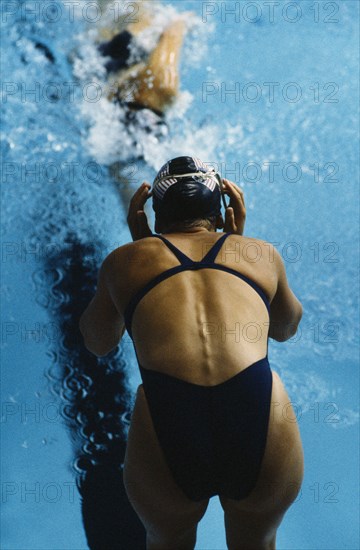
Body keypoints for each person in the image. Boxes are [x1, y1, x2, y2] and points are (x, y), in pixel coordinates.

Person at [79, 156, 304, 550]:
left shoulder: (123, 262)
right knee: (258, 538)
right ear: (223, 208)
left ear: (151, 213)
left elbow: (97, 343)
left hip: (169, 417)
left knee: (168, 541)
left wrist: (140, 253)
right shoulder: (259, 254)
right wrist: (238, 242)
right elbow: (286, 329)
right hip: (258, 414)